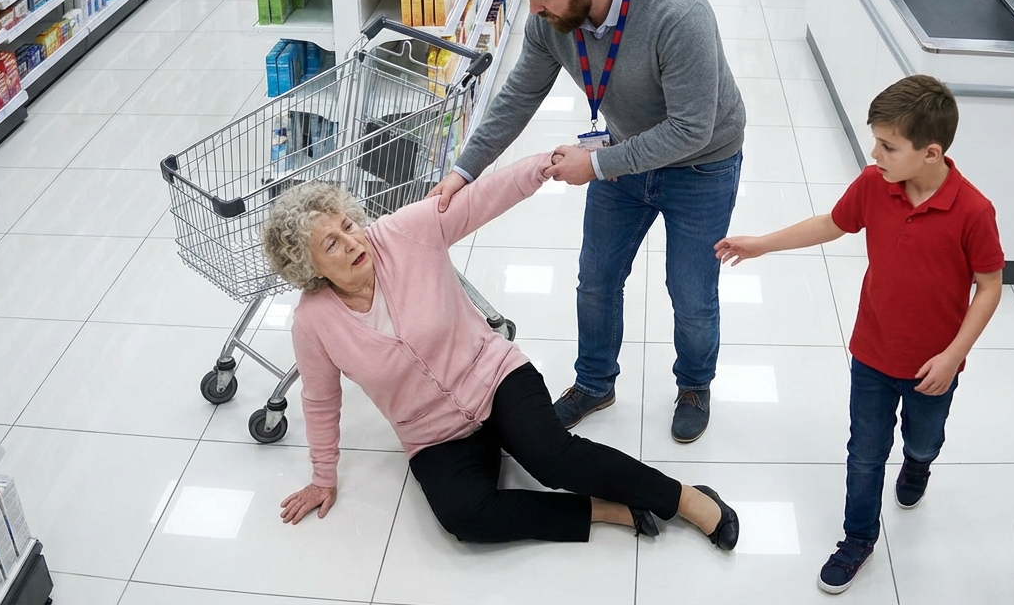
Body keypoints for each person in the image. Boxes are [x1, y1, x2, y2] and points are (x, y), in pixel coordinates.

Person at [263, 151, 740, 550]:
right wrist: (323, 477)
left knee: (554, 459)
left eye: (349, 225)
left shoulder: (401, 233)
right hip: (431, 431)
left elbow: (480, 201)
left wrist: (542, 167)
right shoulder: (313, 322)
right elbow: (321, 401)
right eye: (332, 243)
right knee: (465, 519)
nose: (352, 242)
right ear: (310, 266)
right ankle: (608, 510)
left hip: (494, 376)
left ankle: (689, 500)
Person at [427, 0, 746, 443]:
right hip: (625, 152)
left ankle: (694, 384)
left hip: (701, 164)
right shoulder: (551, 19)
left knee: (690, 291)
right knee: (596, 280)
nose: (533, 10)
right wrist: (463, 170)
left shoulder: (677, 12)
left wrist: (596, 164)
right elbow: (517, 97)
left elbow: (693, 129)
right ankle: (594, 383)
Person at [713, 76, 1005, 594]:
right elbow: (832, 223)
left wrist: (954, 354)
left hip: (933, 368)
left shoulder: (974, 211)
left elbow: (988, 287)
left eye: (888, 146)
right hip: (871, 354)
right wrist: (763, 245)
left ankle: (918, 466)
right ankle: (858, 538)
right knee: (864, 453)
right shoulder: (875, 185)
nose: (875, 154)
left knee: (923, 438)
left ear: (931, 152)